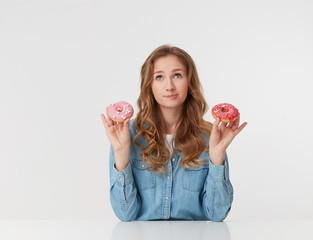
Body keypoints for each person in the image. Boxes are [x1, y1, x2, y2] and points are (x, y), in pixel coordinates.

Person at [100, 45, 247, 222]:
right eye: (159, 77)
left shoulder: (210, 135)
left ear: (189, 81)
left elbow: (216, 215)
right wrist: (121, 154)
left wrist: (217, 156)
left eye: (177, 75)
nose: (169, 86)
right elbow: (125, 214)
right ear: (149, 85)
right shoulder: (127, 134)